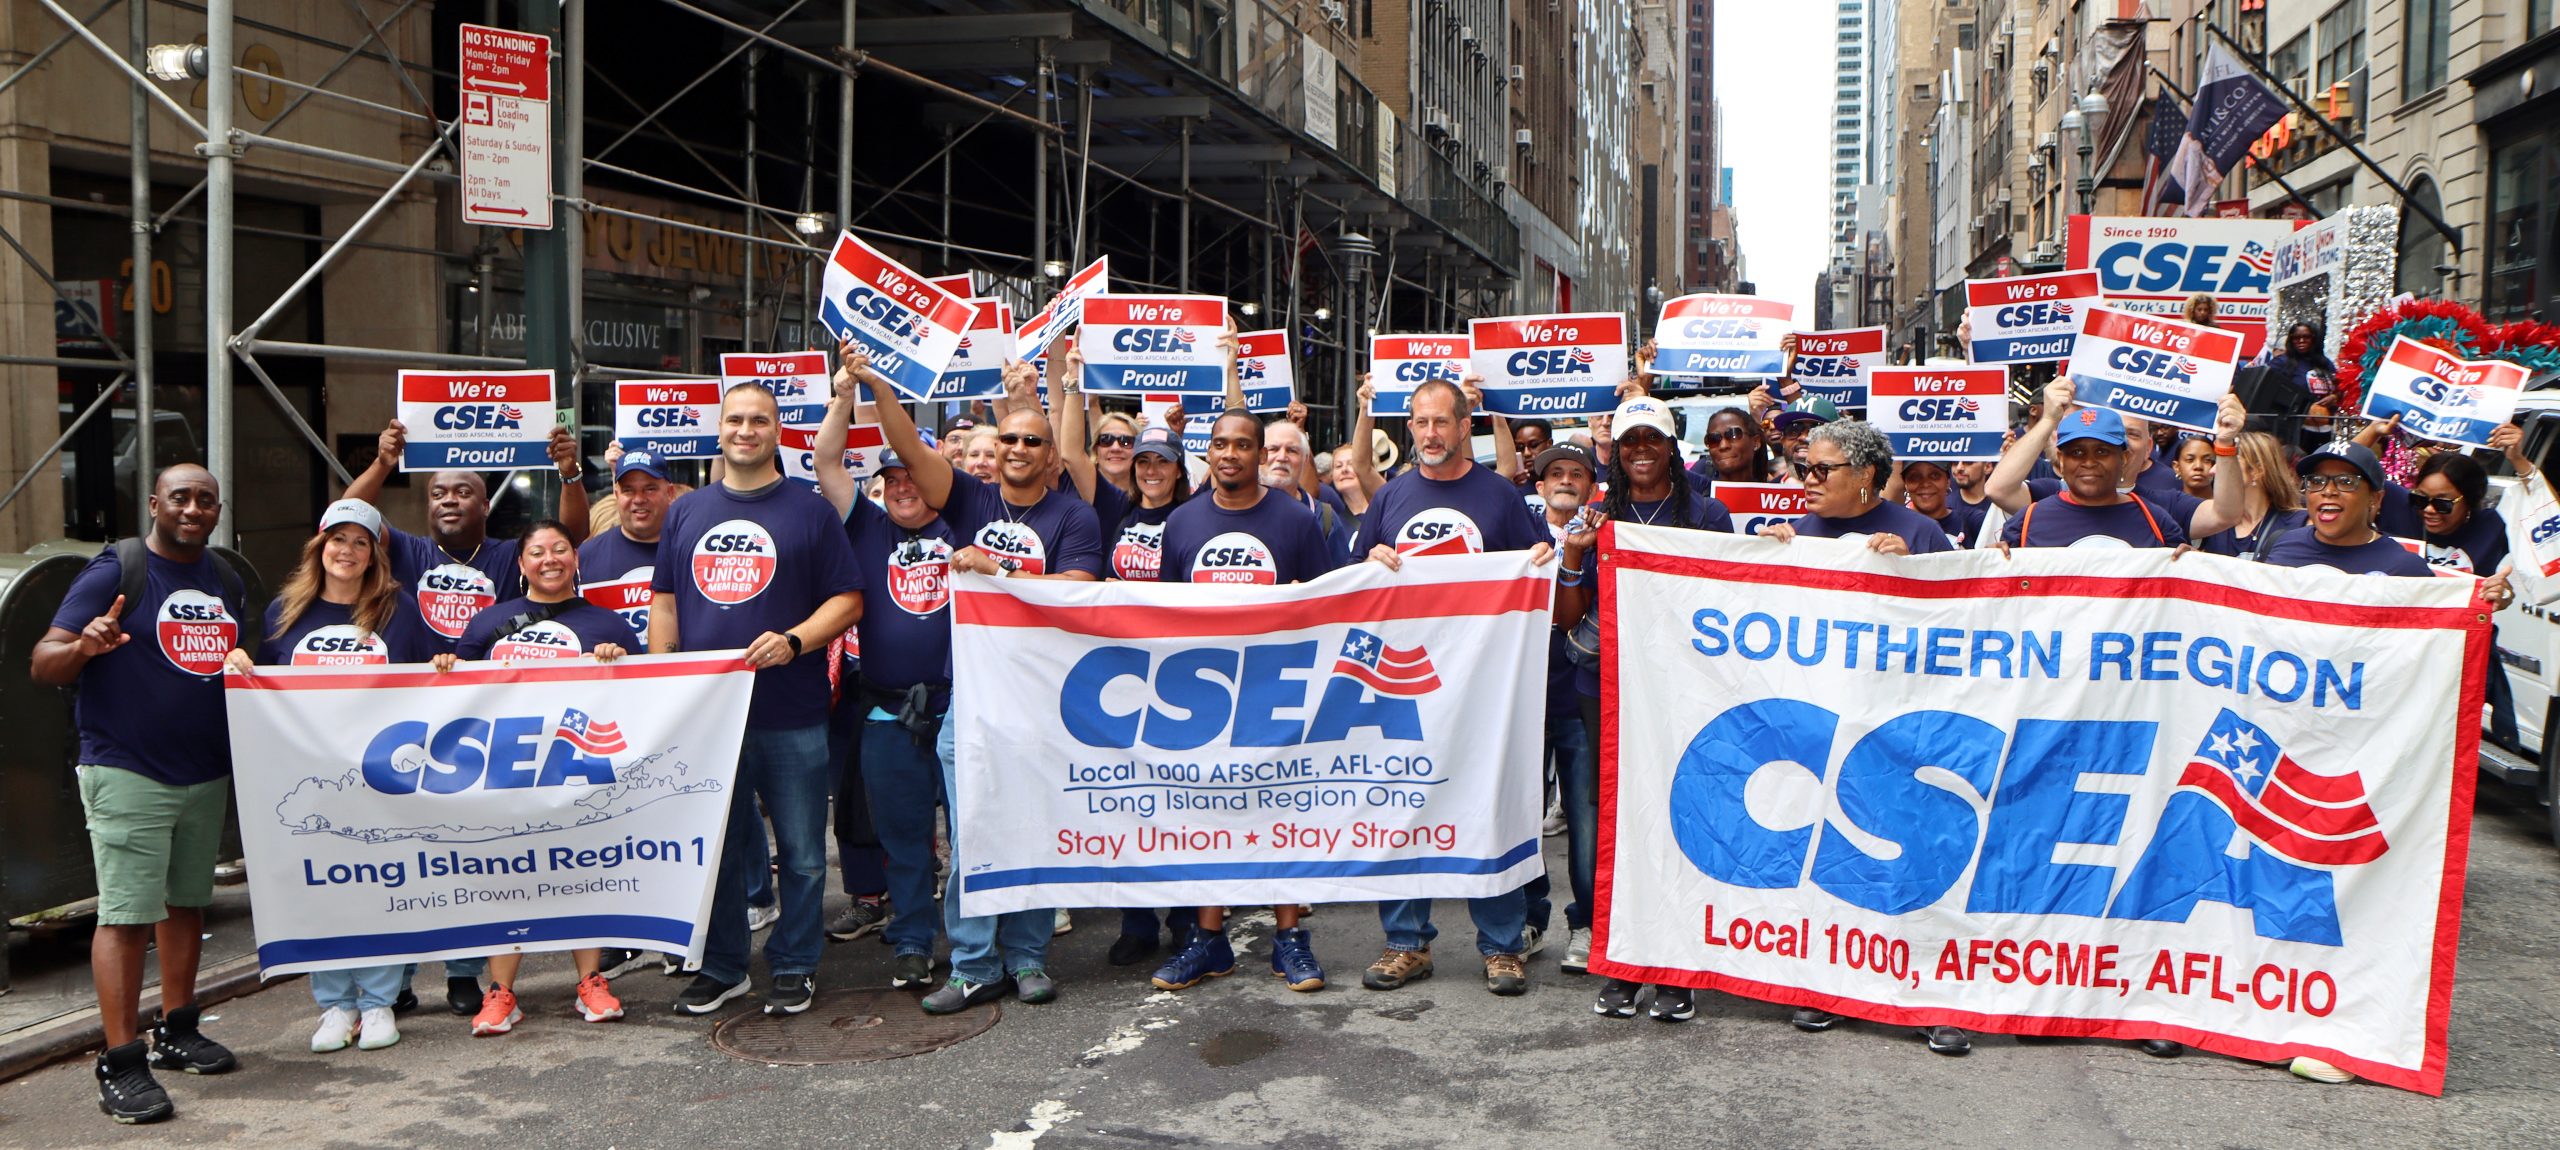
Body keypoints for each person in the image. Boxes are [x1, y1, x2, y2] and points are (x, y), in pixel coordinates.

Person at [861, 340, 1104, 1015]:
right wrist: (882, 388)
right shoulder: (968, 500)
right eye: (1010, 441)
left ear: (1051, 456)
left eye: (1032, 440)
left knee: (1033, 831)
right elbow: (911, 454)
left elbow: (1078, 591)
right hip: (969, 706)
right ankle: (973, 965)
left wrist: (1003, 572)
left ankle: (1027, 958)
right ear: (994, 454)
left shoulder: (1074, 517)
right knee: (972, 843)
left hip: (1042, 703)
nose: (1020, 449)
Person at [338, 418, 586, 1014]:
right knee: (406, 847)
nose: (450, 499)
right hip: (409, 718)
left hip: (480, 722)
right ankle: (394, 983)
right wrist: (382, 464)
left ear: (486, 501)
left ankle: (462, 975)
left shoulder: (505, 554)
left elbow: (572, 534)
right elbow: (347, 516)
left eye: (464, 491)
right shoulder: (411, 550)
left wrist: (569, 473)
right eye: (438, 493)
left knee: (467, 848)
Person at [31, 464, 246, 1124]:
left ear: (217, 511)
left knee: (184, 905)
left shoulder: (225, 579)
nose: (192, 509)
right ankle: (120, 1060)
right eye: (179, 498)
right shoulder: (115, 569)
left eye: (205, 501)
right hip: (128, 770)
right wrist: (85, 645)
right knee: (125, 915)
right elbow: (44, 660)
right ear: (155, 503)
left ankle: (177, 1028)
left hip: (202, 772)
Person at [651, 381, 864, 1019]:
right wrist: (664, 677)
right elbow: (664, 600)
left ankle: (794, 965)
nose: (746, 430)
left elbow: (849, 600)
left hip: (789, 712)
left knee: (800, 852)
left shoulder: (810, 511)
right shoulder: (687, 512)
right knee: (715, 851)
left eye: (759, 421)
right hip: (707, 719)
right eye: (735, 420)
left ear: (778, 432)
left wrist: (797, 640)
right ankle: (722, 966)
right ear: (720, 430)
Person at [1351, 377, 1556, 997]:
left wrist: (1538, 563)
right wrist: (1373, 560)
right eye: (1419, 423)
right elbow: (1357, 576)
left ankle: (1501, 945)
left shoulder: (1499, 496)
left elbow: (1529, 579)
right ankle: (1406, 943)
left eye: (1441, 422)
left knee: (1486, 803)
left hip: (1479, 688)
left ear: (1466, 426)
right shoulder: (1390, 496)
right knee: (1404, 805)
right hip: (1406, 682)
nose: (1430, 435)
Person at [222, 499, 432, 1055]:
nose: (347, 551)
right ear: (320, 548)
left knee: (384, 884)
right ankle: (336, 1002)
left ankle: (380, 1000)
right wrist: (244, 667)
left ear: (373, 555)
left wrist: (446, 668)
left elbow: (431, 681)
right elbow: (265, 687)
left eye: (360, 542)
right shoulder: (284, 613)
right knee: (324, 887)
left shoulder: (398, 610)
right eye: (337, 540)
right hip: (310, 778)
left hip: (381, 776)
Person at [1147, 408, 1341, 992]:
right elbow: (1162, 614)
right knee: (1206, 812)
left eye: (1242, 445)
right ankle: (1208, 941)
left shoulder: (1295, 520)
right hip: (1203, 695)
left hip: (1276, 689)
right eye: (1219, 444)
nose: (1229, 454)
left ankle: (1290, 939)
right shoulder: (1181, 523)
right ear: (1208, 452)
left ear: (1261, 454)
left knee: (1284, 812)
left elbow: (1324, 605)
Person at [1556, 398, 1734, 1021]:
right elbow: (1566, 620)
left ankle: (1677, 969)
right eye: (1628, 440)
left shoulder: (1709, 515)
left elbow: (1723, 607)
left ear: (1670, 447)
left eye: (1650, 439)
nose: (1638, 449)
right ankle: (1622, 963)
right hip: (1602, 689)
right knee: (1616, 828)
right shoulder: (1597, 515)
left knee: (1675, 824)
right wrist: (1575, 558)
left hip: (1679, 693)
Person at [447, 520, 641, 1034]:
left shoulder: (610, 625)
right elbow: (452, 698)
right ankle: (502, 993)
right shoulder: (487, 623)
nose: (549, 559)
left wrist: (619, 664)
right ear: (521, 564)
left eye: (560, 549)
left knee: (582, 874)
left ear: (576, 558)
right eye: (537, 551)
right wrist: (445, 665)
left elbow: (648, 696)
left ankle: (592, 982)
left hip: (577, 774)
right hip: (504, 777)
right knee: (505, 881)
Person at [809, 356, 960, 994]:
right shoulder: (865, 525)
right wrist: (845, 395)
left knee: (976, 831)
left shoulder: (967, 519)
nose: (901, 486)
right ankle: (913, 941)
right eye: (890, 477)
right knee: (903, 839)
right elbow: (824, 464)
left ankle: (979, 939)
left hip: (963, 708)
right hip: (886, 713)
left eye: (910, 474)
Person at [1526, 442, 1600, 972]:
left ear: (1591, 488)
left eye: (1577, 473)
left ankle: (1587, 924)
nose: (1566, 480)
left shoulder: (1605, 539)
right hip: (1518, 700)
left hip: (1579, 697)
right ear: (1539, 487)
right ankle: (1528, 919)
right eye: (1556, 473)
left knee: (1584, 818)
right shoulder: (1514, 537)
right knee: (1521, 818)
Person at [1760, 422, 1955, 555]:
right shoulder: (1795, 536)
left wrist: (1909, 569)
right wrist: (1768, 553)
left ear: (1864, 475)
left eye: (1822, 469)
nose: (1809, 480)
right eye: (1805, 469)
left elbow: (1955, 604)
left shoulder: (1921, 532)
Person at [2196, 432, 2307, 559]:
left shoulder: (2299, 525)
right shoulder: (2211, 522)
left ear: (2256, 471)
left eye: (2227, 462)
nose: (2212, 471)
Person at [2253, 321, 2339, 447]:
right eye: (2296, 338)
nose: (2301, 340)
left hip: (2323, 429)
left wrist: (2335, 397)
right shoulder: (2281, 362)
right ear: (2291, 340)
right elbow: (2265, 389)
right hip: (2292, 430)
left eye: (2306, 337)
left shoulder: (2325, 363)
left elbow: (2340, 388)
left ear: (2314, 339)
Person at [1686, 405, 1781, 494]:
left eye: (1733, 435)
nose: (1723, 446)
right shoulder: (1695, 494)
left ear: (1756, 442)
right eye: (1713, 439)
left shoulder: (1776, 497)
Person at [1899, 459, 1983, 548]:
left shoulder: (1972, 521)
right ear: (1906, 485)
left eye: (1934, 475)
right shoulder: (1898, 526)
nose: (1925, 484)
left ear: (1948, 482)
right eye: (1915, 477)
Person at [1770, 395, 1839, 480]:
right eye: (1793, 430)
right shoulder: (1768, 490)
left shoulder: (1853, 490)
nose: (1803, 437)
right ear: (1783, 440)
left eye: (1816, 430)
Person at [2171, 435, 2218, 500]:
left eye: (2207, 460)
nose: (2198, 466)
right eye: (2190, 459)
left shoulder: (2230, 506)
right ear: (2177, 467)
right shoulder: (2167, 506)